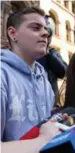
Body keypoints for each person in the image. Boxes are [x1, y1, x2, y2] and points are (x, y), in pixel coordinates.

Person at [1, 7, 56, 141]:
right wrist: (44, 139)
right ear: (13, 33)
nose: (45, 33)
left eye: (45, 29)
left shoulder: (44, 81)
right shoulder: (2, 74)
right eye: (36, 28)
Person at [37, 17, 67, 103]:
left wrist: (49, 54)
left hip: (50, 100)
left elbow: (63, 72)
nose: (45, 36)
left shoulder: (53, 52)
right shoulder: (28, 51)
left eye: (48, 34)